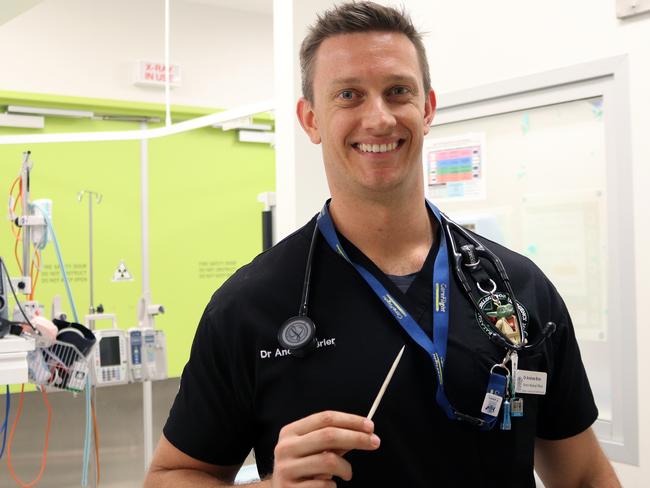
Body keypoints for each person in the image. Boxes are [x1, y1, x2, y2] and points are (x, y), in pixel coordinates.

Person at [144, 2, 620, 487]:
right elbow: (172, 475)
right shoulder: (249, 306)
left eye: (397, 92)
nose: (379, 118)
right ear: (310, 120)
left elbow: (582, 476)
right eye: (349, 95)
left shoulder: (518, 289)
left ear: (427, 108)